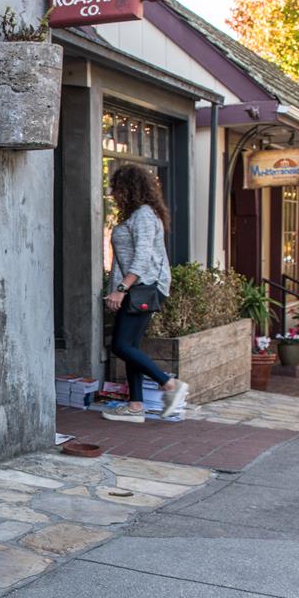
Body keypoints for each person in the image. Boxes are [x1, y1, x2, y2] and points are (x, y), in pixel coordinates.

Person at [101, 164, 189, 423]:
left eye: (117, 188)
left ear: (129, 189)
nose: (114, 194)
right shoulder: (139, 215)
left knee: (121, 345)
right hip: (138, 287)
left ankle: (170, 384)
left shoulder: (144, 215)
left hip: (143, 287)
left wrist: (121, 289)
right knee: (131, 346)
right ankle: (136, 406)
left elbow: (142, 258)